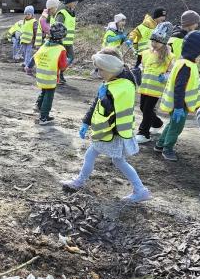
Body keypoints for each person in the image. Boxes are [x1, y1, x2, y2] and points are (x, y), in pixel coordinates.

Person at [60, 49, 152, 203]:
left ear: (111, 68)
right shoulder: (111, 82)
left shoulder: (123, 86)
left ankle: (140, 190)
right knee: (106, 158)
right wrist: (85, 122)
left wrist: (104, 97)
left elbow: (112, 110)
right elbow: (95, 105)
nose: (98, 72)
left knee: (115, 160)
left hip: (114, 132)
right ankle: (139, 190)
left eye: (100, 69)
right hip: (110, 131)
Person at [156, 31, 200, 161]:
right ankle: (167, 149)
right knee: (176, 128)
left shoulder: (184, 62)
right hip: (180, 104)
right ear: (195, 50)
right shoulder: (186, 66)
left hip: (179, 103)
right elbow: (179, 88)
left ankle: (160, 144)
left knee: (172, 125)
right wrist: (179, 107)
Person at [137, 22, 174, 143]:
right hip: (145, 86)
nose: (154, 43)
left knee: (147, 109)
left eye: (157, 42)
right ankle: (157, 123)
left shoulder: (168, 56)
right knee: (143, 107)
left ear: (164, 42)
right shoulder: (147, 53)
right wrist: (139, 71)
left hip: (156, 88)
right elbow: (143, 66)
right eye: (153, 40)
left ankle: (143, 133)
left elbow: (172, 72)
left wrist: (165, 76)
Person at [28, 23, 69, 125]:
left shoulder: (45, 44)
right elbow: (63, 66)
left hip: (41, 76)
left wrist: (29, 66)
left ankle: (38, 106)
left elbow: (35, 56)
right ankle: (44, 117)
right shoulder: (61, 49)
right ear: (62, 36)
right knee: (49, 96)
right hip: (51, 77)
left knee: (44, 91)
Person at [54, 0, 79, 85]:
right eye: (75, 1)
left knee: (71, 57)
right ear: (70, 1)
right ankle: (58, 75)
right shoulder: (62, 12)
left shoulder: (71, 12)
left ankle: (60, 73)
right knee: (62, 59)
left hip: (68, 42)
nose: (76, 3)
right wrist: (59, 40)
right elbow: (57, 26)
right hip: (61, 42)